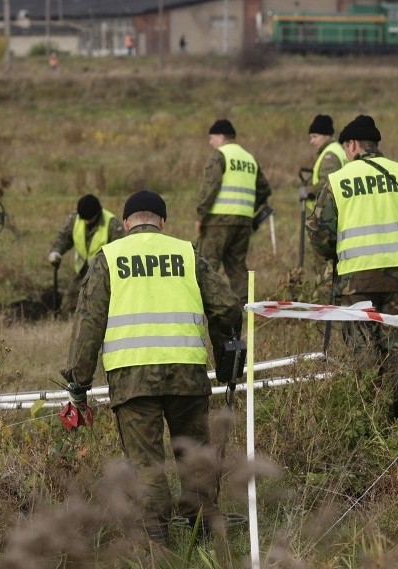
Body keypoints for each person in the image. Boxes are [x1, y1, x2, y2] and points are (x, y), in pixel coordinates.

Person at [64, 190, 243, 545]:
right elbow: (228, 307)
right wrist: (228, 361)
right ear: (162, 222)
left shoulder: (109, 258)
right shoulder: (186, 253)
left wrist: (78, 384)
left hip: (132, 379)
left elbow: (89, 324)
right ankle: (204, 533)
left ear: (127, 222)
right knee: (193, 455)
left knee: (146, 463)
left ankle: (158, 542)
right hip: (187, 373)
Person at [306, 115, 398, 420]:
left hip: (356, 280)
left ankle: (369, 411)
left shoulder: (337, 181)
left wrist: (336, 255)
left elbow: (317, 231)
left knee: (363, 344)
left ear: (353, 145)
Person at [196, 119, 272, 301]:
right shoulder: (249, 158)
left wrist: (201, 215)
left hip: (218, 221)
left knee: (207, 263)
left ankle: (205, 303)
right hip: (244, 221)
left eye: (212, 138)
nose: (210, 142)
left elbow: (210, 188)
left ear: (221, 137)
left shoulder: (219, 156)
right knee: (237, 265)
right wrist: (247, 208)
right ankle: (245, 306)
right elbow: (264, 189)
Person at [47, 194, 125, 315]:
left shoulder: (113, 225)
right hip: (81, 270)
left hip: (103, 273)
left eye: (89, 219)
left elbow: (121, 252)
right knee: (69, 306)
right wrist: (56, 251)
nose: (86, 222)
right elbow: (64, 237)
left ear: (97, 214)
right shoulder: (75, 218)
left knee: (98, 308)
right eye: (84, 219)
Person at [298, 114, 349, 297]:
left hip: (327, 217)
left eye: (314, 136)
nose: (311, 141)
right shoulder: (339, 151)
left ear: (326, 135)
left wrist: (308, 191)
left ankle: (328, 299)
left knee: (323, 262)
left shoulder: (330, 155)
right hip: (339, 213)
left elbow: (327, 182)